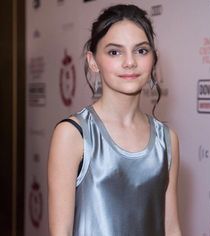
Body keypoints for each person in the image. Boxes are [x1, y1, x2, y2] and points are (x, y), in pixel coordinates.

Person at [48, 4, 182, 236]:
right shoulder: (73, 134)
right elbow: (61, 231)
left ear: (153, 59)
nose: (129, 62)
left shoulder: (167, 139)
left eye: (141, 51)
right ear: (93, 61)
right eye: (114, 52)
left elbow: (171, 227)